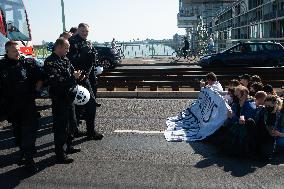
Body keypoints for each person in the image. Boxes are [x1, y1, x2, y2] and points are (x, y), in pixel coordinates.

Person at [0, 41, 43, 173]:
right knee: (18, 132)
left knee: (29, 131)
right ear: (7, 52)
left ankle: (29, 160)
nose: (18, 52)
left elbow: (40, 77)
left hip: (28, 104)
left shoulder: (27, 63)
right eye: (14, 51)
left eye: (18, 50)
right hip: (11, 106)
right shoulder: (1, 66)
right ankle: (23, 153)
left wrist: (36, 91)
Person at [44, 38, 82, 164]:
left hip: (69, 97)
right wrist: (72, 77)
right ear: (59, 47)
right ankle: (60, 154)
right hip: (59, 98)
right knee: (61, 127)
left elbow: (71, 73)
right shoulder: (50, 62)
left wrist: (78, 75)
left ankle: (69, 146)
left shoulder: (65, 59)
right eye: (66, 48)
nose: (68, 50)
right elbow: (57, 81)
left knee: (72, 123)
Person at [67, 23, 103, 140]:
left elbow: (92, 59)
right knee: (90, 104)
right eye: (82, 31)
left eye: (87, 31)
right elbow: (71, 60)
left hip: (87, 76)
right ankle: (90, 132)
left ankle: (75, 130)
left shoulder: (87, 42)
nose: (85, 33)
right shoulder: (72, 42)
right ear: (78, 30)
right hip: (78, 77)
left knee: (79, 106)